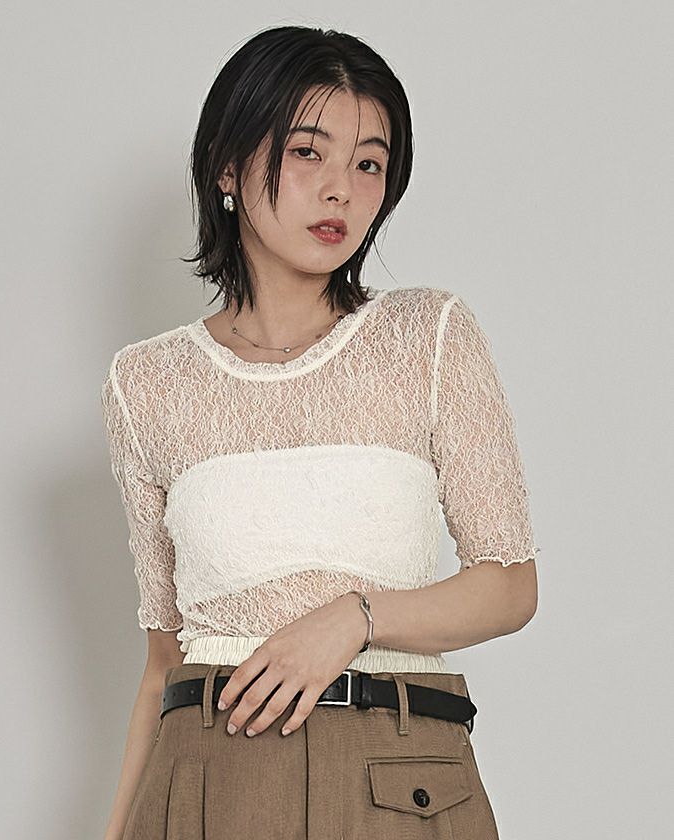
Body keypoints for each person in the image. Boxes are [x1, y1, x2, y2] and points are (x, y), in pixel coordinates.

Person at [100, 24, 540, 840]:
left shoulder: (429, 336)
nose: (341, 189)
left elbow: (511, 585)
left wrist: (354, 619)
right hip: (209, 783)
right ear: (228, 166)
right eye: (308, 152)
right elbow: (163, 664)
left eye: (369, 163)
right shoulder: (146, 384)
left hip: (403, 779)